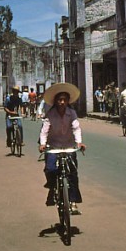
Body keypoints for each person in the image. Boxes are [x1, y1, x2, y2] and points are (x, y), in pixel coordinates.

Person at [38, 83, 86, 215]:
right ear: (56, 101)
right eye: (60, 99)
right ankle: (52, 188)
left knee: (72, 173)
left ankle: (73, 202)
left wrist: (79, 143)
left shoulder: (72, 113)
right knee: (50, 169)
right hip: (54, 146)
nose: (62, 102)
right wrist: (42, 144)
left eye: (65, 99)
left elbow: (76, 128)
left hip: (69, 146)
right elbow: (44, 131)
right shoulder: (50, 114)